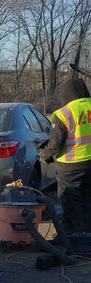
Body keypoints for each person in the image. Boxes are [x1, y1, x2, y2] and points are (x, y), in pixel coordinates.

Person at [40, 78, 91, 234]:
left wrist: (44, 155)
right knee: (88, 202)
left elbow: (56, 142)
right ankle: (87, 236)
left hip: (71, 167)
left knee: (71, 204)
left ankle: (72, 238)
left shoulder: (63, 113)